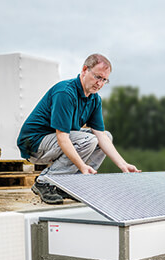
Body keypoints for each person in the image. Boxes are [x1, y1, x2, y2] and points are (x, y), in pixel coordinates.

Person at [17, 53, 140, 204]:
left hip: (55, 141)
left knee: (105, 136)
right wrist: (82, 166)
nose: (100, 83)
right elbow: (62, 137)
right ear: (84, 70)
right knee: (88, 140)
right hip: (34, 143)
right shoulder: (65, 92)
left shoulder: (94, 99)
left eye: (104, 80)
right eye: (97, 77)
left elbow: (101, 135)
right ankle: (45, 182)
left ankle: (70, 186)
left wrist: (123, 164)